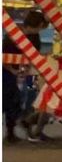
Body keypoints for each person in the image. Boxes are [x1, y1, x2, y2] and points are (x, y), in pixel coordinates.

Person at [3, 10, 49, 143]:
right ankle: (19, 126)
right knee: (11, 100)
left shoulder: (32, 37)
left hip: (19, 72)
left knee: (19, 100)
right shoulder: (13, 35)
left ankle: (17, 128)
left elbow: (33, 57)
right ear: (39, 24)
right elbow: (4, 56)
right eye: (42, 26)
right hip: (7, 71)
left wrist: (25, 70)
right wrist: (12, 70)